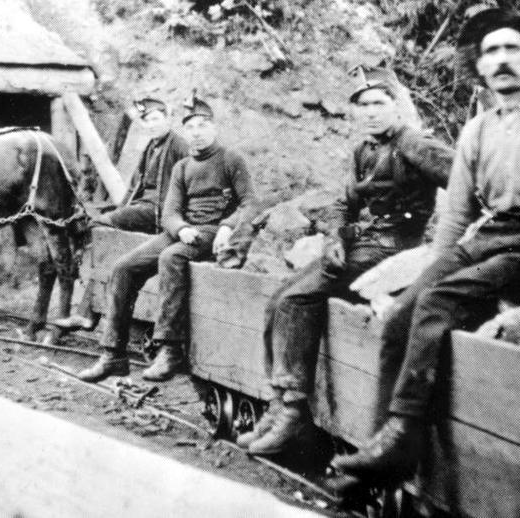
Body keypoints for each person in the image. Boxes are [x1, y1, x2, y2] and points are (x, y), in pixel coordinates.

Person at [326, 8, 520, 490]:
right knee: (401, 313)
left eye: (512, 49)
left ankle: (403, 437)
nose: (502, 60)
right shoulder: (477, 130)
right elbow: (457, 214)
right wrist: (431, 267)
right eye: (491, 52)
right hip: (488, 233)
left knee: (439, 302)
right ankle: (381, 446)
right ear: (478, 66)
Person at [236, 66, 454, 456]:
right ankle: (276, 404)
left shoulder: (415, 143)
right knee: (276, 300)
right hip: (360, 244)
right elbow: (344, 203)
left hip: (393, 250)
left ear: (396, 107)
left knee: (296, 300)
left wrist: (449, 237)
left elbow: (464, 180)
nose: (371, 112)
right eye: (363, 105)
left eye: (379, 104)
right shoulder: (363, 149)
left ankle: (293, 411)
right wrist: (335, 235)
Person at [77, 91, 257, 383]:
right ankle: (113, 355)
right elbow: (171, 211)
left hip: (214, 232)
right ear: (185, 129)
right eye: (191, 127)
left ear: (214, 127)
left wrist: (227, 225)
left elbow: (250, 203)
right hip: (185, 231)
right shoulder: (182, 167)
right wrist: (181, 228)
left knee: (170, 257)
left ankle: (170, 349)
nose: (196, 133)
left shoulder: (230, 160)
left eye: (202, 125)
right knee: (124, 267)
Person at [53, 97, 189, 333]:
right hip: (143, 207)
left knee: (100, 225)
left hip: (159, 212)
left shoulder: (179, 146)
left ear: (167, 119)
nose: (152, 125)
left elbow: (189, 184)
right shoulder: (151, 146)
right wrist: (121, 210)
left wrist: (176, 216)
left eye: (157, 119)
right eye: (147, 121)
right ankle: (86, 313)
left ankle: (88, 313)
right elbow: (135, 185)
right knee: (106, 242)